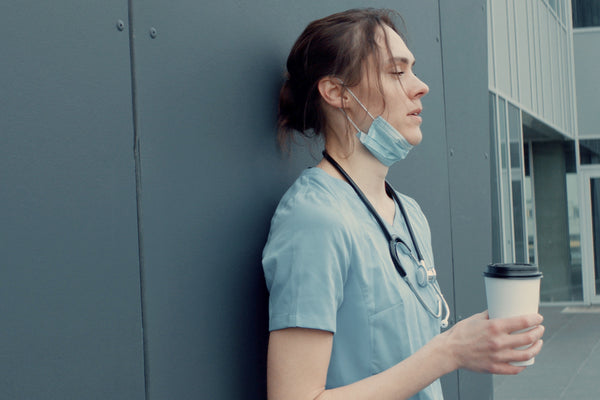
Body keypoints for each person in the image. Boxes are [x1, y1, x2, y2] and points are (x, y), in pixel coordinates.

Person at [262, 8, 544, 400]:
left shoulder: (409, 214)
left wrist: (483, 341)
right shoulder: (314, 219)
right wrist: (450, 350)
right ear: (337, 92)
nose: (421, 86)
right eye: (397, 72)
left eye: (412, 70)